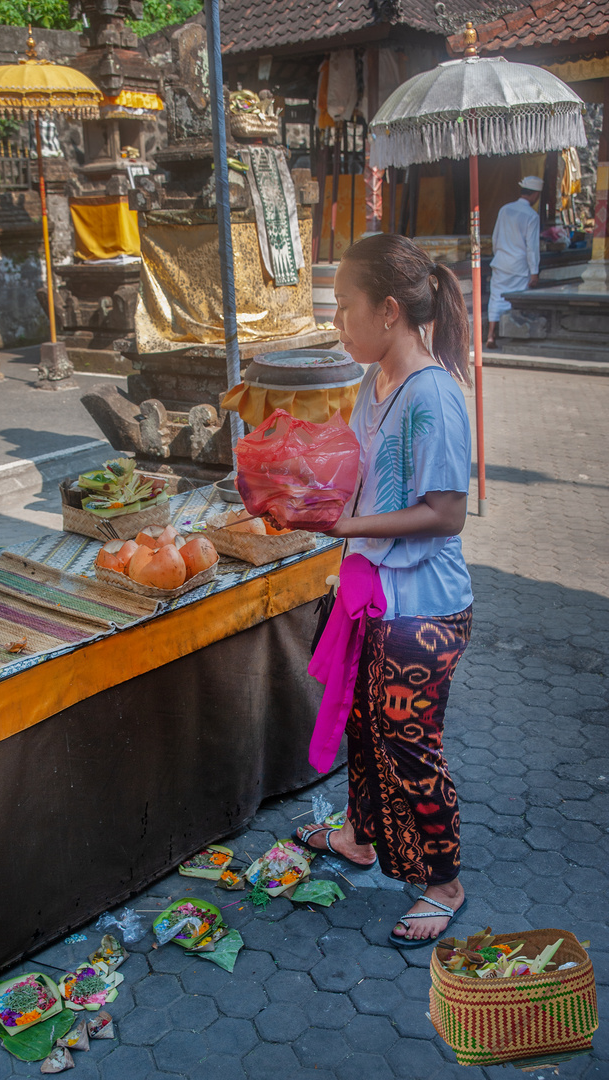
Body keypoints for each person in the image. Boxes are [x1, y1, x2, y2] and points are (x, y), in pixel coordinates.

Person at [295, 233, 473, 947]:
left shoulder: (432, 396)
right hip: (374, 591)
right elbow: (363, 468)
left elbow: (445, 512)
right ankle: (360, 839)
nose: (338, 323)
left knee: (407, 745)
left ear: (389, 310)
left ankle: (444, 882)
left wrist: (346, 525)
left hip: (423, 607)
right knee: (364, 731)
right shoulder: (375, 381)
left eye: (344, 308)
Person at [486, 175, 543, 348]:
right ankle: (514, 335)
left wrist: (499, 254)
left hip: (501, 262)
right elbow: (532, 247)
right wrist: (534, 271)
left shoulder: (505, 209)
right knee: (517, 299)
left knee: (496, 298)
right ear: (535, 195)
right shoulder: (532, 216)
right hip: (519, 265)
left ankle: (490, 335)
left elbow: (495, 238)